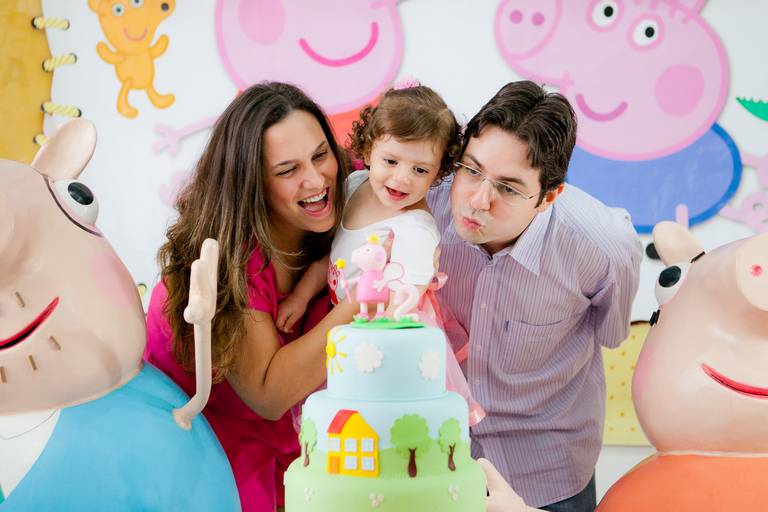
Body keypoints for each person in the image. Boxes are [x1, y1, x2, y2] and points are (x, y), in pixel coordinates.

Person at [428, 81, 642, 511]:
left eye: (508, 188)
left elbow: (611, 333)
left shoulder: (601, 246)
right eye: (471, 170)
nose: (478, 200)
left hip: (550, 470)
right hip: (437, 461)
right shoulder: (421, 209)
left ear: (549, 196)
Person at [144, 82, 359, 512]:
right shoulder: (227, 259)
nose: (316, 180)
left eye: (321, 156)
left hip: (301, 454)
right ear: (252, 183)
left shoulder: (343, 225)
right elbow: (268, 395)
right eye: (287, 170)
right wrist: (364, 302)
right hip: (206, 463)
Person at [276, 82, 484, 424]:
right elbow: (331, 260)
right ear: (369, 150)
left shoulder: (415, 230)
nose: (401, 179)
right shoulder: (355, 185)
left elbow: (402, 307)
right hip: (344, 322)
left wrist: (362, 339)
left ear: (438, 173)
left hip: (384, 343)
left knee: (376, 424)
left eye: (420, 170)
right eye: (391, 160)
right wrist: (299, 297)